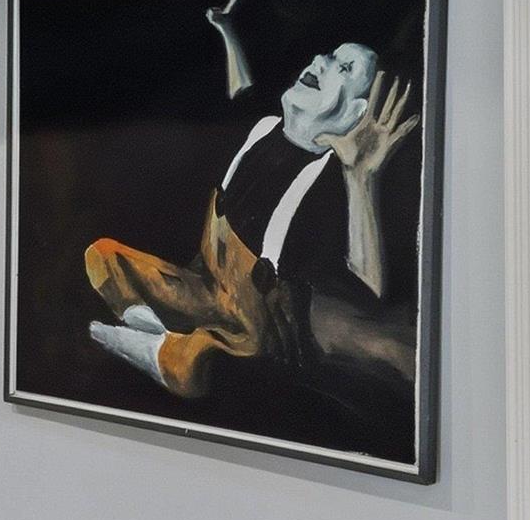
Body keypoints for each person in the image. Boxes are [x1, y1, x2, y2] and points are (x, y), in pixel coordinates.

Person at [81, 40, 419, 398]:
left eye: (344, 68)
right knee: (103, 257)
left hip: (248, 330)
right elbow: (238, 88)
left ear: (354, 113)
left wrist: (361, 177)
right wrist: (226, 32)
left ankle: (163, 349)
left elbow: (368, 292)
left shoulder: (332, 181)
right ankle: (158, 330)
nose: (320, 60)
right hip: (204, 289)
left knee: (198, 357)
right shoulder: (260, 129)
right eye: (329, 55)